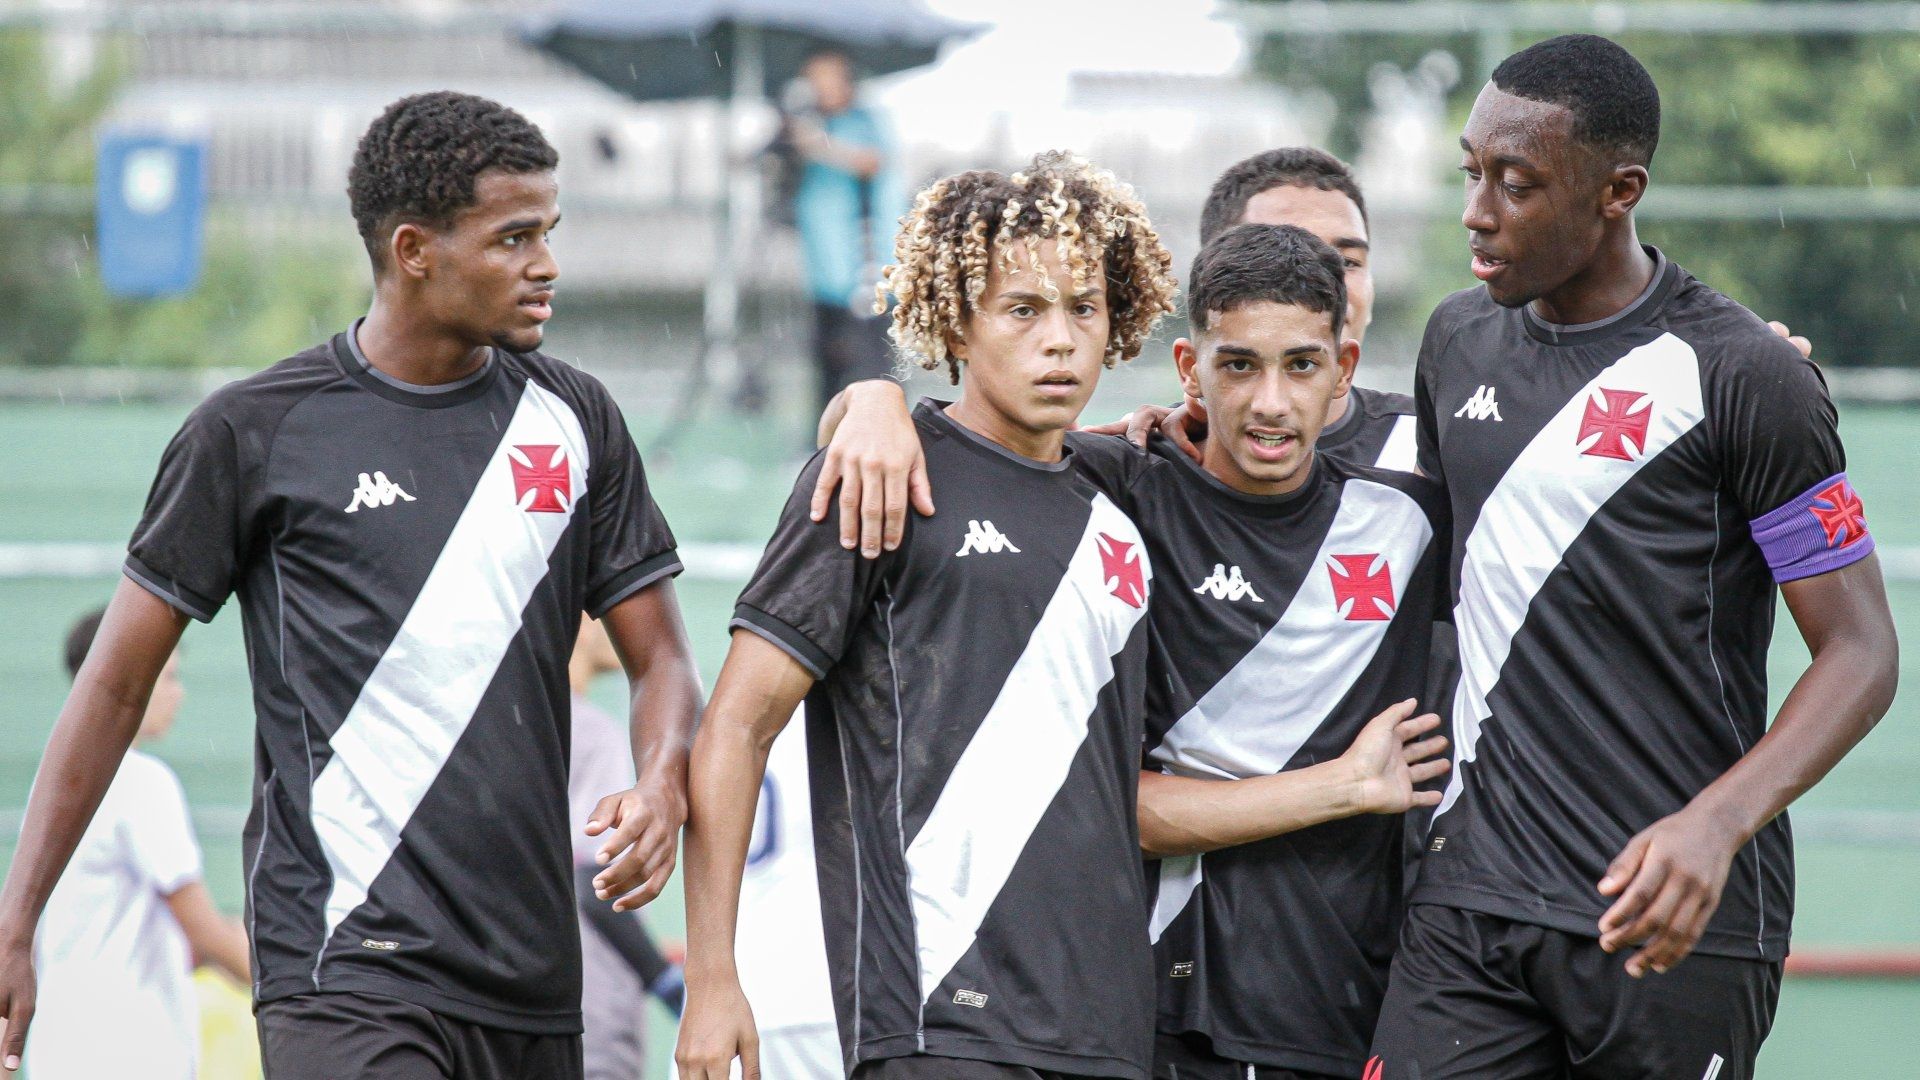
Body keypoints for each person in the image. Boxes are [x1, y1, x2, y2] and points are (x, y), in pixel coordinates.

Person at [0, 91, 703, 1080]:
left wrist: (664, 780)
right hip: (344, 965)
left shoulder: (577, 417)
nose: (546, 265)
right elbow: (115, 686)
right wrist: (17, 916)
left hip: (535, 977)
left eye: (548, 233)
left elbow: (663, 654)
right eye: (512, 238)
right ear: (415, 250)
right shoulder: (253, 433)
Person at [1363, 35, 1898, 1079]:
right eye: (1472, 170)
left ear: (1619, 191)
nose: (1478, 209)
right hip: (1471, 898)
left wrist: (1715, 827)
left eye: (1516, 184)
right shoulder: (1455, 342)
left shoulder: (1748, 374)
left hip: (1672, 916)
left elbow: (1863, 653)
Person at [820, 220, 1457, 1078]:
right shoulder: (1113, 492)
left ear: (1342, 369)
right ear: (1191, 370)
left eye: (1301, 365)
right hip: (1145, 1012)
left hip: (1335, 1005)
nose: (1270, 401)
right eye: (1239, 365)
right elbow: (1110, 805)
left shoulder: (1414, 517)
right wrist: (872, 398)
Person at [675, 152, 1180, 1080]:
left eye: (1084, 307)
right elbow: (738, 727)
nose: (1060, 340)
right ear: (955, 319)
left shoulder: (1124, 490)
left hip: (1109, 1026)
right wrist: (713, 977)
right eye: (1022, 310)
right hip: (938, 1018)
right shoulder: (878, 477)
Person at [25, 609, 250, 1080]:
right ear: (124, 677)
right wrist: (297, 986)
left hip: (61, 1052)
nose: (178, 692)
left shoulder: (55, 782)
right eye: (166, 677)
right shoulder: (142, 783)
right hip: (128, 1054)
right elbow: (203, 930)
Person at [567, 616, 688, 1080]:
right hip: (590, 1010)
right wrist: (663, 979)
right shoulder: (592, 732)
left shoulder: (514, 731)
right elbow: (591, 877)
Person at [789, 48, 909, 418]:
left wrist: (818, 145)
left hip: (868, 267)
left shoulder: (866, 121)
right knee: (826, 358)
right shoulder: (805, 121)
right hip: (824, 269)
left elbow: (871, 162)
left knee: (876, 363)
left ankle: (889, 431)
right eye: (814, 79)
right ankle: (822, 441)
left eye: (829, 77)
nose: (821, 87)